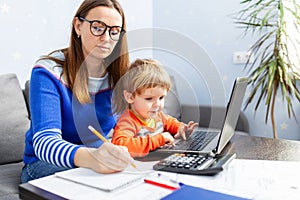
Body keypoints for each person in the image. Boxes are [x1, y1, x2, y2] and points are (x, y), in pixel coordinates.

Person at [20, 0, 135, 183]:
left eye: (114, 32)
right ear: (78, 26)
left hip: (96, 162)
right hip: (44, 163)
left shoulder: (119, 75)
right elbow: (44, 143)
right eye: (98, 28)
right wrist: (92, 158)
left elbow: (128, 129)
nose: (106, 38)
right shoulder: (48, 71)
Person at [111, 59, 198, 157]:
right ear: (130, 97)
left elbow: (171, 122)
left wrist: (181, 128)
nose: (157, 104)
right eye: (149, 98)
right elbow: (119, 145)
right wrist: (159, 140)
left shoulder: (157, 115)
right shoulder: (128, 121)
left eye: (161, 97)